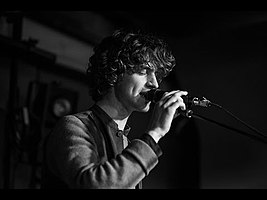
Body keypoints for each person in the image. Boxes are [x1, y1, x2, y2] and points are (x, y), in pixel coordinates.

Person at [41, 28, 188, 189]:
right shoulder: (74, 126)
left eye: (156, 75)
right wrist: (155, 132)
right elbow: (96, 185)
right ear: (116, 71)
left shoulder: (126, 142)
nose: (154, 83)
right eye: (144, 71)